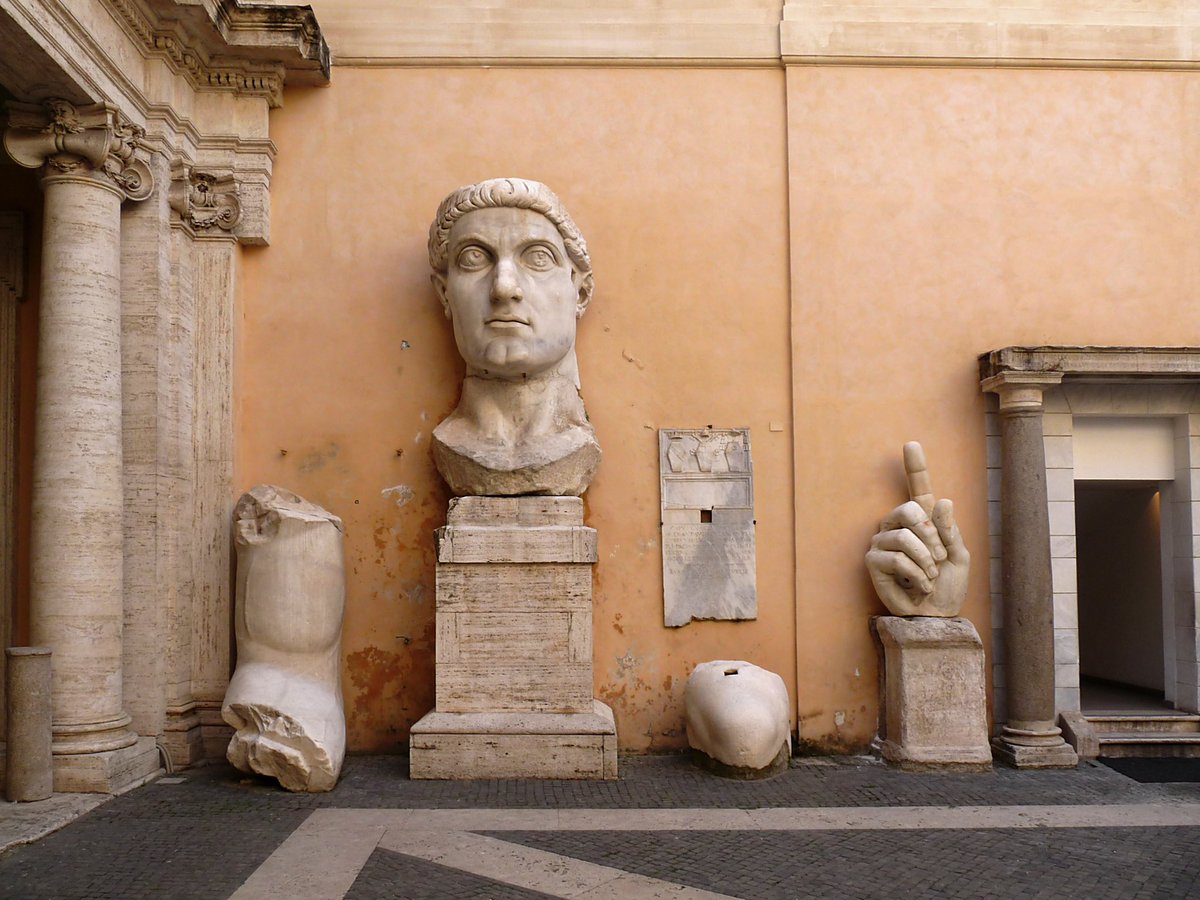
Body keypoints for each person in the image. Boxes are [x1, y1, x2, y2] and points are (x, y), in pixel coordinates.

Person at [427, 178, 601, 496]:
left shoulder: (574, 445)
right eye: (474, 258)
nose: (504, 288)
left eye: (537, 258)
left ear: (580, 292)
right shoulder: (453, 443)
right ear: (444, 294)